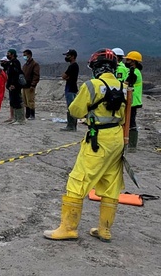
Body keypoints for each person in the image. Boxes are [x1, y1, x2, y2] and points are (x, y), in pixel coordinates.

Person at [44, 48, 125, 242]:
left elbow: (76, 110)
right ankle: (104, 230)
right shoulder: (123, 86)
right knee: (110, 182)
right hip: (117, 138)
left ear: (96, 67)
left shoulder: (92, 85)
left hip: (98, 139)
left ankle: (68, 228)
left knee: (78, 180)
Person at [124, 51, 143, 152]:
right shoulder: (133, 71)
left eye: (128, 60)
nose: (126, 61)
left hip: (133, 101)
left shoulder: (135, 73)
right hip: (131, 101)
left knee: (131, 122)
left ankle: (132, 145)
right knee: (129, 121)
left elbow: (126, 83)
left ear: (133, 61)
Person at [60, 49, 79, 131]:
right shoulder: (74, 66)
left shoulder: (72, 66)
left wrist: (66, 76)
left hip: (70, 88)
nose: (67, 57)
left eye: (68, 56)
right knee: (72, 107)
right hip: (72, 88)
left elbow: (64, 76)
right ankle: (72, 125)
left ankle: (71, 126)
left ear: (73, 56)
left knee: (70, 107)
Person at [5, 49, 25, 125]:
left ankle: (20, 119)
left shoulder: (16, 62)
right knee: (13, 101)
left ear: (13, 54)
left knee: (17, 101)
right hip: (11, 86)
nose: (8, 55)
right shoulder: (10, 63)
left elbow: (16, 75)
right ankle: (16, 118)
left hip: (16, 86)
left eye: (9, 53)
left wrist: (14, 84)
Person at [21, 49, 40, 120]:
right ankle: (27, 114)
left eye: (25, 55)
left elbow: (36, 75)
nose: (24, 57)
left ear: (29, 55)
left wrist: (33, 85)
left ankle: (32, 115)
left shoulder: (34, 64)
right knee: (25, 101)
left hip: (30, 86)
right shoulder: (25, 65)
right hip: (25, 85)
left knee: (30, 100)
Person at [0, 56, 14, 122]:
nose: (1, 63)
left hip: (12, 86)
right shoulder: (5, 69)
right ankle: (12, 116)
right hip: (9, 86)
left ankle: (13, 116)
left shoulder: (10, 69)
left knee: (14, 101)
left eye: (3, 61)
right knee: (11, 101)